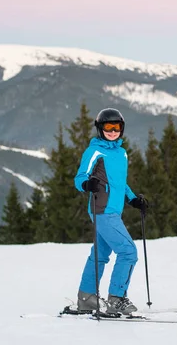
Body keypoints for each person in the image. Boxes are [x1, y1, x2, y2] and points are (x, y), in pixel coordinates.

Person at [74, 108, 148, 315]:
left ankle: (86, 298)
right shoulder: (95, 151)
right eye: (108, 127)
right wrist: (87, 184)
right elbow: (80, 177)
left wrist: (133, 198)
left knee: (100, 255)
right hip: (101, 210)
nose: (113, 131)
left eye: (117, 127)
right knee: (128, 251)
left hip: (114, 210)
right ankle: (117, 299)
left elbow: (120, 183)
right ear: (100, 128)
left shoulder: (121, 153)